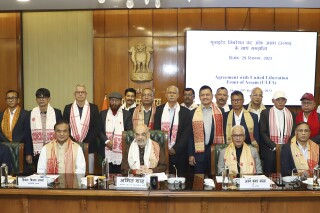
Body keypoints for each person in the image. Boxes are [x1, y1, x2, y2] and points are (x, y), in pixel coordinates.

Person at [154, 85, 192, 176]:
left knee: (179, 179)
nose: (171, 95)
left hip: (180, 152)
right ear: (166, 95)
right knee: (163, 178)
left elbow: (186, 133)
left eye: (174, 93)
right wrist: (163, 147)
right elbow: (156, 130)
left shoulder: (185, 112)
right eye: (169, 93)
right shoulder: (159, 110)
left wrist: (176, 149)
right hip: (162, 152)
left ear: (178, 95)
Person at [63, 84, 99, 174]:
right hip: (72, 145)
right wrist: (74, 141)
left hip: (89, 146)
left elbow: (96, 127)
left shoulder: (94, 108)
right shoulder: (68, 108)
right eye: (78, 92)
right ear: (74, 94)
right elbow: (65, 127)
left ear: (86, 94)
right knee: (72, 172)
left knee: (89, 172)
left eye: (82, 92)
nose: (80, 94)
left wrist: (86, 143)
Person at [188, 85, 225, 175]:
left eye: (207, 95)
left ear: (212, 96)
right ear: (199, 97)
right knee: (199, 181)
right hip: (199, 153)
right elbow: (190, 136)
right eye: (202, 95)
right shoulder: (193, 113)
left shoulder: (221, 112)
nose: (205, 97)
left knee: (216, 181)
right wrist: (191, 154)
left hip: (216, 152)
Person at [28, 88, 63, 171]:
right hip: (37, 151)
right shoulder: (31, 113)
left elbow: (61, 131)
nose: (41, 99)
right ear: (36, 99)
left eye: (44, 97)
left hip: (55, 150)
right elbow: (27, 134)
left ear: (49, 99)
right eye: (39, 98)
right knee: (40, 173)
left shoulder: (56, 112)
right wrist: (28, 153)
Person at [260, 91, 295, 173]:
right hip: (270, 148)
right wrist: (274, 146)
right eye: (278, 99)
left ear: (286, 101)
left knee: (285, 172)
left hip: (286, 148)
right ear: (273, 101)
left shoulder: (291, 114)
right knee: (269, 174)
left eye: (283, 100)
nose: (280, 102)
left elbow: (293, 132)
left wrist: (287, 146)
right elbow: (262, 132)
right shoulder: (265, 113)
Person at [98, 92, 133, 174]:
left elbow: (129, 132)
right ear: (109, 101)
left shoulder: (127, 114)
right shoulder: (102, 113)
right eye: (112, 100)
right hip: (105, 150)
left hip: (122, 152)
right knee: (106, 175)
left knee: (120, 175)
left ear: (121, 102)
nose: (114, 103)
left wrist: (117, 142)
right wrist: (107, 141)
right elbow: (99, 130)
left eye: (117, 100)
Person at [0, 90, 32, 161]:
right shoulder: (1, 115)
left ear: (18, 100)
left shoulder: (26, 114)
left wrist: (28, 153)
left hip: (21, 150)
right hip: (4, 150)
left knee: (21, 172)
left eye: (13, 98)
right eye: (8, 98)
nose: (10, 100)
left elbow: (28, 135)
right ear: (6, 101)